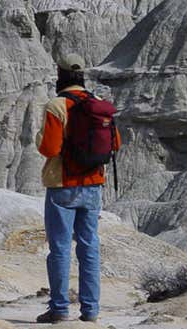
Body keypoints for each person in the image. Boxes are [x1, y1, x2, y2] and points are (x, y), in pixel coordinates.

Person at [35, 54, 120, 323]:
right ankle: (91, 311)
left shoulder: (56, 106)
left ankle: (59, 309)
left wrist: (40, 138)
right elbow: (115, 143)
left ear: (60, 75)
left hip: (63, 185)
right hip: (93, 185)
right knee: (89, 247)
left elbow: (49, 148)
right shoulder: (98, 105)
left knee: (60, 248)